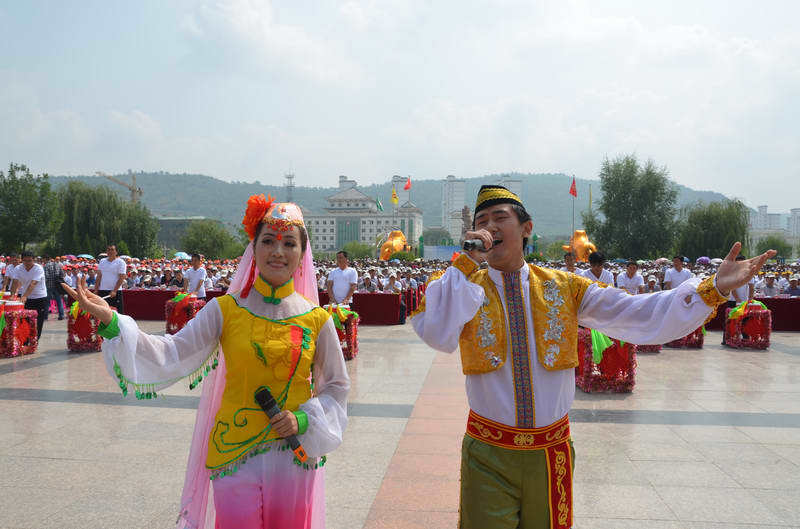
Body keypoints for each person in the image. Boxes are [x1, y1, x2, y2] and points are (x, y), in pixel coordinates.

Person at [410, 184, 774, 529]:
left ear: (526, 228)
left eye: (499, 218)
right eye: (481, 222)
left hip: (550, 451)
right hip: (488, 451)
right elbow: (436, 330)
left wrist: (714, 287)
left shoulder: (564, 287)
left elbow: (636, 312)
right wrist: (467, 263)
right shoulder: (463, 288)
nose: (489, 227)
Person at [62, 195, 349, 529]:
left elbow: (337, 387)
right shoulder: (225, 309)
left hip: (293, 457)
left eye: (289, 244)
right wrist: (113, 321)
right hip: (233, 456)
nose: (278, 252)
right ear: (253, 249)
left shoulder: (316, 319)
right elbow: (172, 351)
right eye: (268, 241)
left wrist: (303, 419)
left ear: (302, 255)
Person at [11, 251, 49, 339]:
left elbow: (33, 284)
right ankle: (26, 339)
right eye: (25, 261)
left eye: (30, 261)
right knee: (25, 320)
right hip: (27, 298)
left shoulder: (38, 268)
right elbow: (15, 282)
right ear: (21, 260)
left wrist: (24, 296)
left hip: (40, 297)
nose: (27, 263)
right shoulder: (18, 268)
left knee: (38, 322)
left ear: (34, 260)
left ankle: (35, 340)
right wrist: (13, 295)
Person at [95, 244, 127, 311]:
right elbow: (99, 277)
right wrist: (96, 290)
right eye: (108, 250)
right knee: (103, 313)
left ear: (116, 252)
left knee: (117, 314)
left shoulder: (121, 262)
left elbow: (121, 278)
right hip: (103, 290)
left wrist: (114, 291)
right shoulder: (102, 261)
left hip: (115, 292)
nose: (110, 251)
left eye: (112, 249)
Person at [42, 254, 66, 320]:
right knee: (59, 301)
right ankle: (61, 315)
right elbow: (62, 274)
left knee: (47, 301)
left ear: (45, 259)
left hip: (49, 286)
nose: (42, 260)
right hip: (57, 286)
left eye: (43, 259)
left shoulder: (46, 266)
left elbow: (46, 276)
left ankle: (45, 316)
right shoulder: (58, 264)